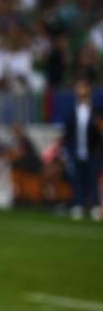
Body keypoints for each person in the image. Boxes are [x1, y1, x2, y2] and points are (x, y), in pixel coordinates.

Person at [64, 74, 102, 220]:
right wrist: (68, 150)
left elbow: (99, 133)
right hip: (76, 150)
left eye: (83, 87)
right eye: (78, 87)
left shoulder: (97, 109)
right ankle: (78, 205)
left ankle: (95, 206)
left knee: (92, 179)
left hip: (93, 151)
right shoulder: (72, 110)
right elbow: (68, 133)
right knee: (77, 179)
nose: (80, 90)